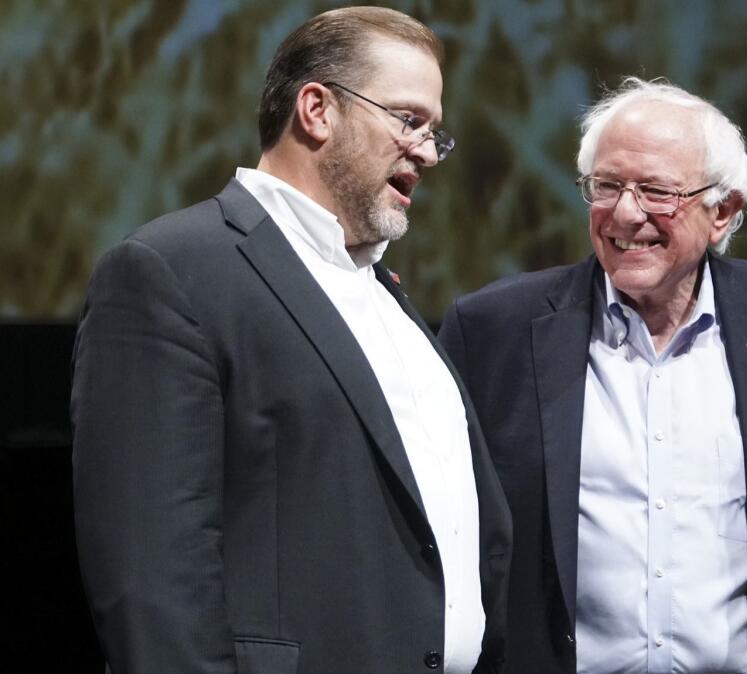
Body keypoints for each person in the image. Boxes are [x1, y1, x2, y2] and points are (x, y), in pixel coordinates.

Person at [70, 7, 511, 673]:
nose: (425, 150)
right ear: (317, 109)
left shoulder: (386, 294)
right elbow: (149, 575)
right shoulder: (174, 270)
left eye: (433, 133)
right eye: (408, 120)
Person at [438, 77, 747, 674]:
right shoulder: (492, 331)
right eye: (606, 186)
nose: (625, 214)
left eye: (657, 191)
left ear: (723, 212)